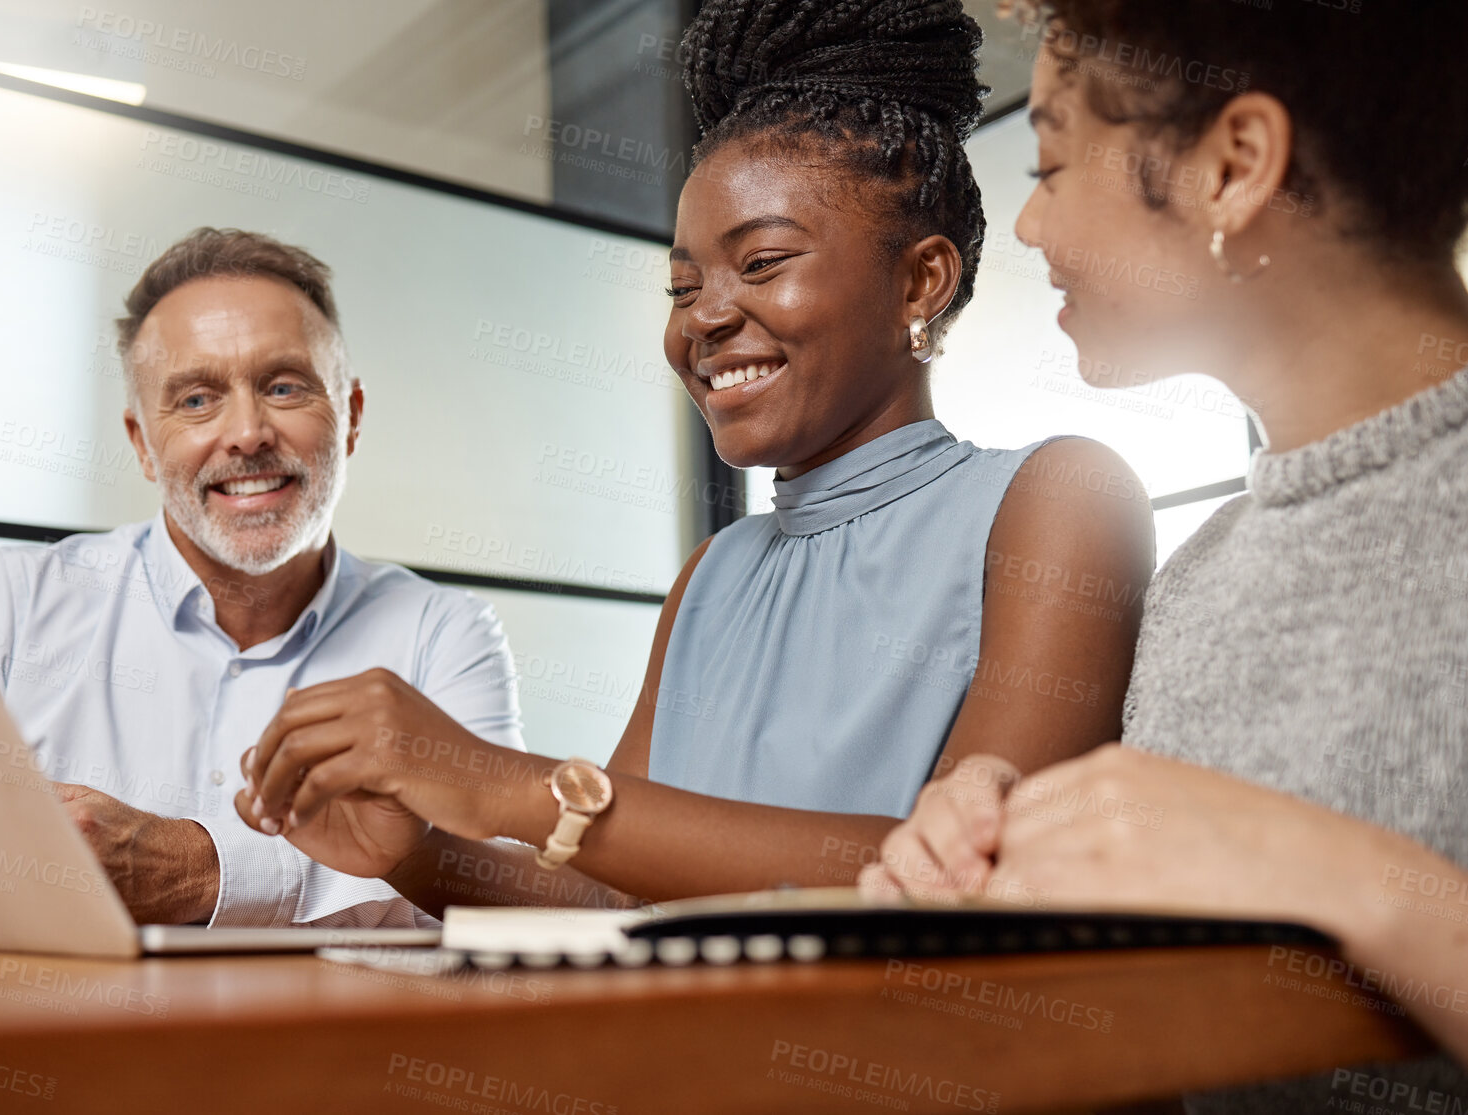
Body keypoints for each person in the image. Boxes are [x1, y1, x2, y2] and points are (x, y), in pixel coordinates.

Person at [232, 0, 1155, 913]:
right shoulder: (714, 573)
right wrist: (419, 852)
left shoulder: (1057, 498)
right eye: (682, 285)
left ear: (921, 279)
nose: (704, 317)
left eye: (761, 264)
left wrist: (506, 782)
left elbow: (969, 877)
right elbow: (614, 890)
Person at [862, 0, 1468, 1098]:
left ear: (1233, 168)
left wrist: (1328, 870)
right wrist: (1007, 854)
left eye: (1048, 163)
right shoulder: (1194, 583)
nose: (1030, 226)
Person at [0, 228, 523, 929]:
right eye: (198, 399)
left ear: (349, 416)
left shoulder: (441, 633)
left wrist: (204, 869)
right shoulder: (14, 601)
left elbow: (504, 895)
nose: (245, 433)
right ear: (142, 443)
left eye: (282, 386)